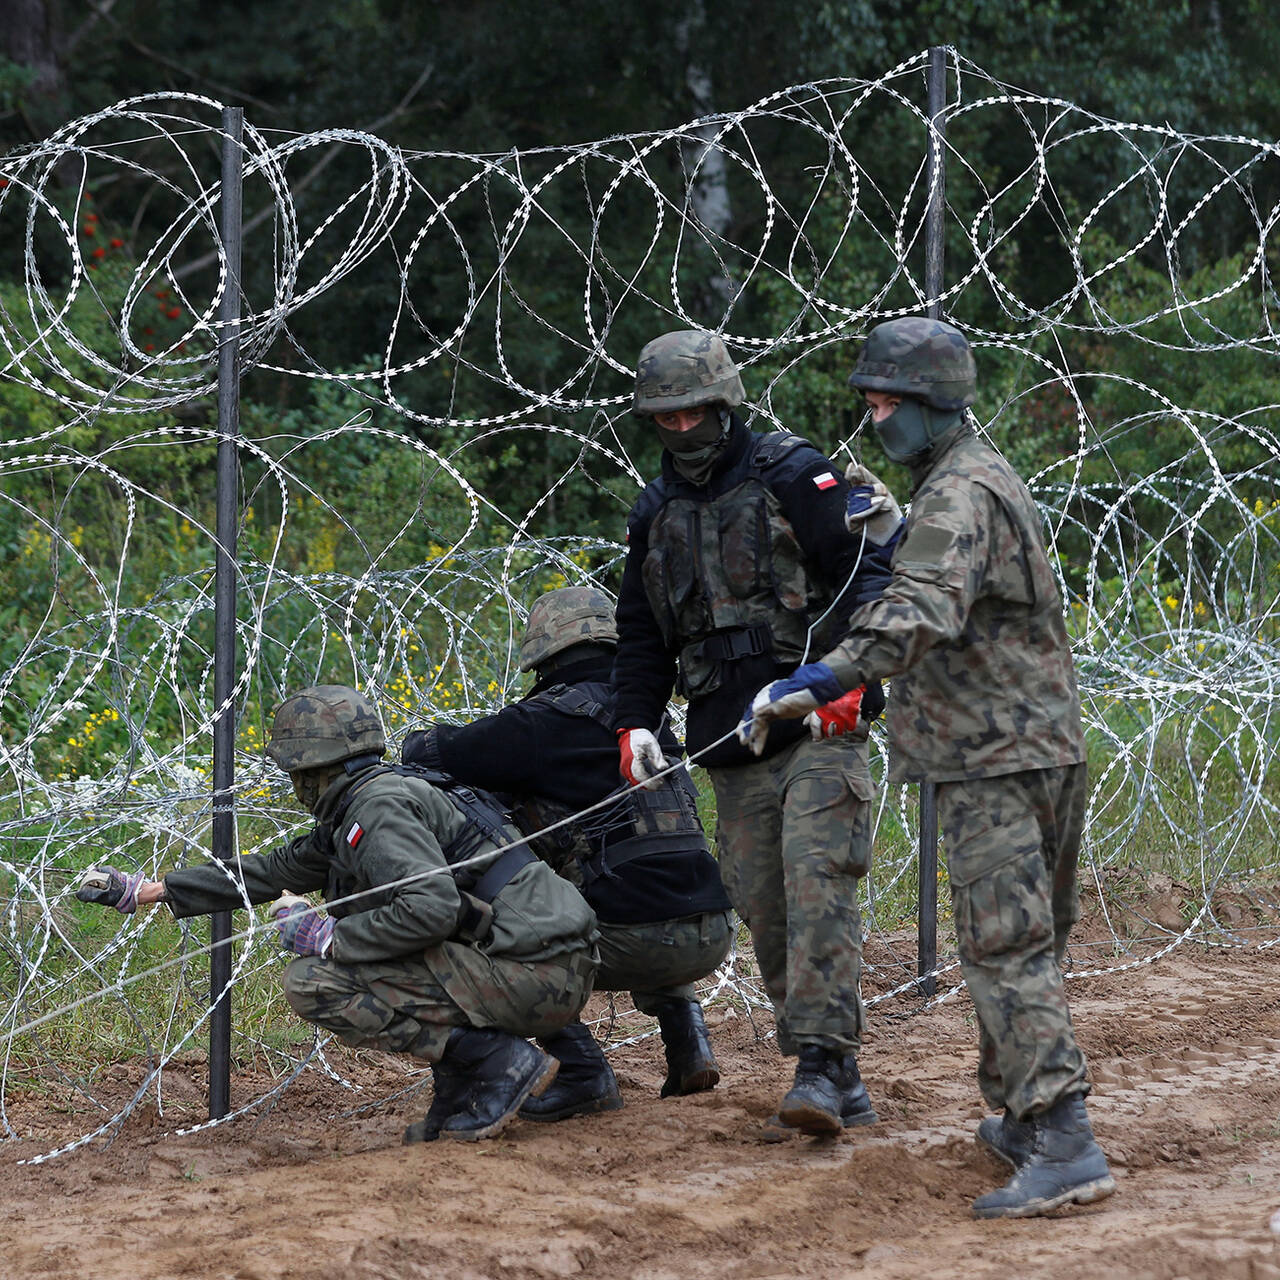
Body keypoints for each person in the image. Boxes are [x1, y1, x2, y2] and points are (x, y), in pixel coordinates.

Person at [739, 316, 1115, 1217]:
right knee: (1025, 943)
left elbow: (923, 611)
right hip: (1038, 745)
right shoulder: (980, 477)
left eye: (883, 405)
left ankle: (1064, 1141)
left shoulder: (957, 494)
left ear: (928, 404)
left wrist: (824, 674)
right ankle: (1024, 1117)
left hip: (992, 758)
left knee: (1004, 947)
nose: (874, 422)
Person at [77, 685, 599, 1144]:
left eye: (296, 773)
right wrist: (154, 890)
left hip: (533, 973)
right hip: (541, 964)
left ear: (313, 770)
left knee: (313, 982)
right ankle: (465, 1082)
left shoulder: (377, 810)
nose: (294, 785)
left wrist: (328, 937)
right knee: (384, 955)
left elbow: (432, 908)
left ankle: (498, 1061)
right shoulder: (371, 799)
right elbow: (271, 869)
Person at [610, 329, 899, 1135]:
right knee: (767, 910)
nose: (680, 431)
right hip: (727, 742)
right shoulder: (656, 512)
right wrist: (635, 720)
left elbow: (868, 574)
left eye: (693, 413)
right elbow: (641, 634)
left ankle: (820, 1064)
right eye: (664, 419)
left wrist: (851, 678)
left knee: (817, 890)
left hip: (819, 726)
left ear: (723, 403)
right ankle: (838, 1074)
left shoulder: (793, 473)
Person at [401, 584, 734, 1120]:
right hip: (711, 931)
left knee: (478, 935)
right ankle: (689, 1041)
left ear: (545, 654)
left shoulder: (541, 723)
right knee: (643, 872)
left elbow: (435, 751)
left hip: (630, 940)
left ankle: (582, 1073)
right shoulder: (650, 722)